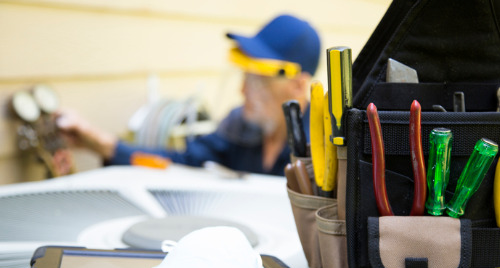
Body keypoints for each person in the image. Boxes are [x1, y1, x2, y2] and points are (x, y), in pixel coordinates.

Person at [57, 14, 321, 176]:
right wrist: (102, 144)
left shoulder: (325, 146)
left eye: (259, 81)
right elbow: (180, 163)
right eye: (245, 77)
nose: (243, 90)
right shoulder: (240, 126)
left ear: (298, 85)